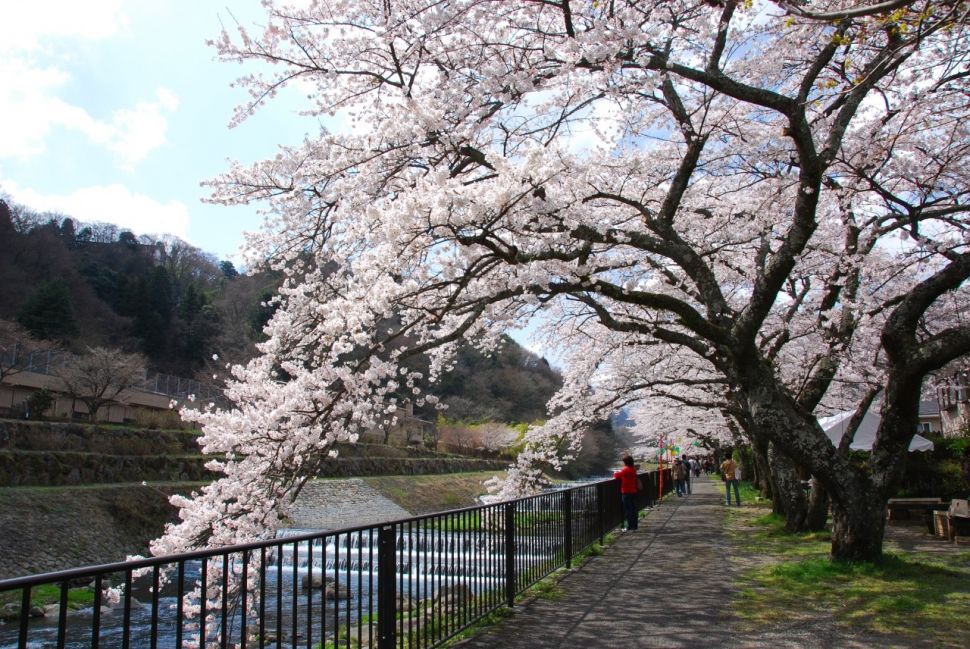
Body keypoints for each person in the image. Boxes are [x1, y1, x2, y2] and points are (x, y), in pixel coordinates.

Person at [613, 454, 639, 531]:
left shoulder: (626, 470)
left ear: (626, 462)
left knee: (628, 510)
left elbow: (616, 476)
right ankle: (634, 525)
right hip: (633, 491)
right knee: (633, 509)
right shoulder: (633, 469)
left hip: (626, 492)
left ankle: (630, 526)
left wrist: (615, 472)